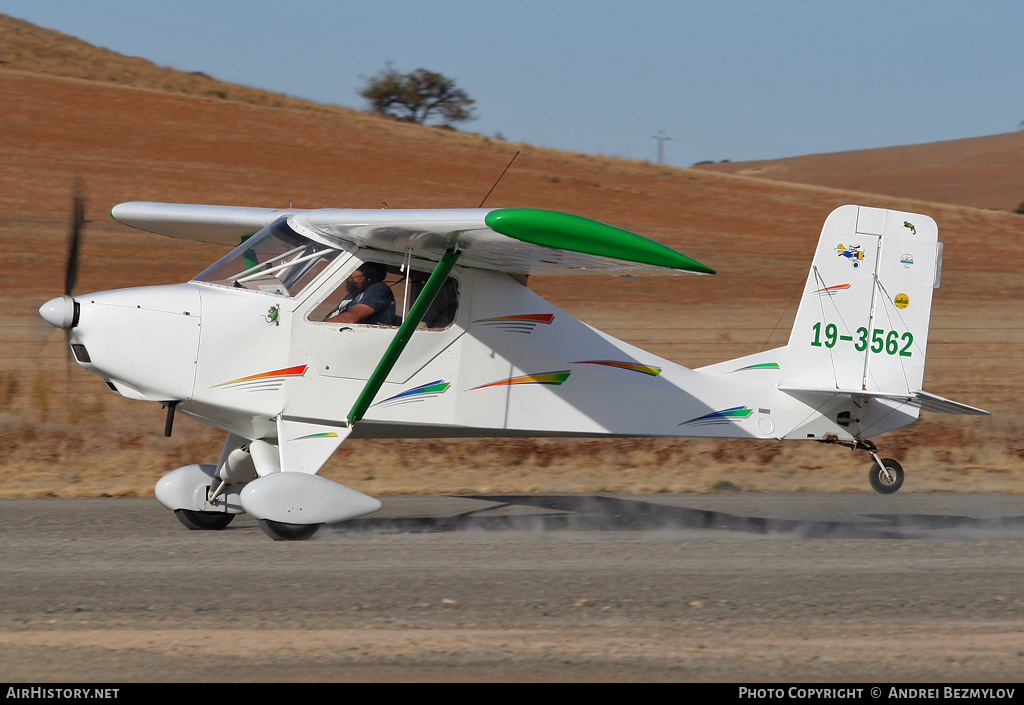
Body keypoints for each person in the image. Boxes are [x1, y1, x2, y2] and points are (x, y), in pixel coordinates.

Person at [324, 262, 396, 325]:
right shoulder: (352, 296)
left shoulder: (378, 289)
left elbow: (351, 318)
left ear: (369, 272)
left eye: (353, 268)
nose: (348, 273)